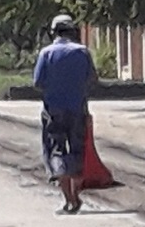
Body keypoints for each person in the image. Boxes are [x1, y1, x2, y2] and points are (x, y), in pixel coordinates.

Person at [33, 13, 98, 214]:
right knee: (78, 151)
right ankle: (76, 196)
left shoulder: (47, 53)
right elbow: (93, 79)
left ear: (53, 32)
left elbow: (37, 82)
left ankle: (69, 200)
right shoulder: (83, 52)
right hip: (78, 109)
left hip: (53, 111)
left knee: (56, 152)